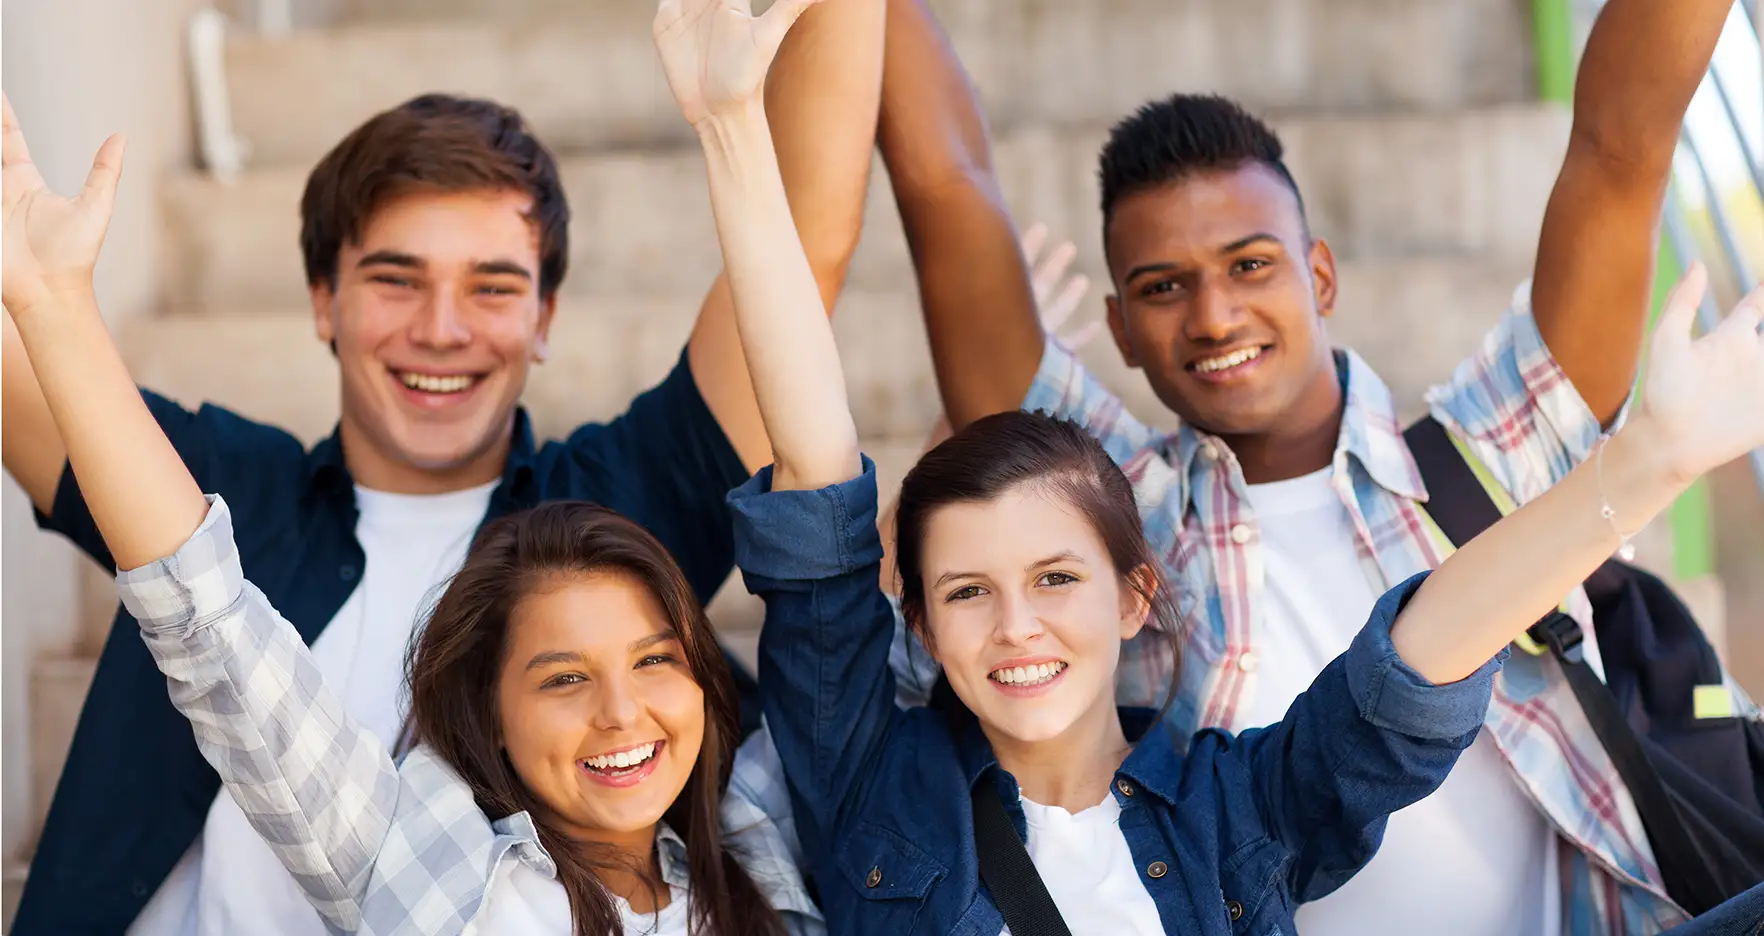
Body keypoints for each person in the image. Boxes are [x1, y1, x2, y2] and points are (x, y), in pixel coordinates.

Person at [669, 0, 1764, 931]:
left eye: (1250, 265)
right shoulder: (1107, 519)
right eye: (1162, 288)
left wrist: (1646, 464)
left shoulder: (1495, 448)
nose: (1215, 313)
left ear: (1319, 275)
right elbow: (950, 186)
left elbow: (1623, 145)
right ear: (1120, 327)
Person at [0, 0, 881, 930]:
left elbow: (808, 233)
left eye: (494, 287)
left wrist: (742, 103)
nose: (443, 328)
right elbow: (39, 370)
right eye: (396, 278)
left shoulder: (617, 513)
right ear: (322, 301)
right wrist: (43, 288)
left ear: (545, 317)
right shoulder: (216, 487)